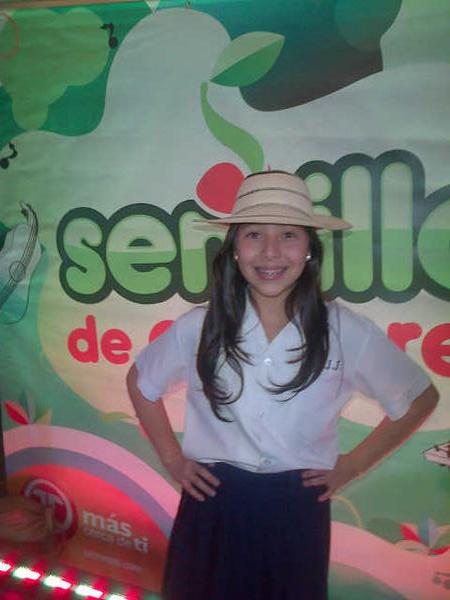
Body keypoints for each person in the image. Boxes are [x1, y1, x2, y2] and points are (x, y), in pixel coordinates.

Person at [127, 170, 438, 600]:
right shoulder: (200, 326)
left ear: (309, 248)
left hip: (296, 508)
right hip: (212, 503)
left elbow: (419, 398)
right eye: (254, 234)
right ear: (234, 248)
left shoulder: (344, 330)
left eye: (288, 235)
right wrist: (172, 459)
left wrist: (352, 465)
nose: (270, 252)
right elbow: (141, 382)